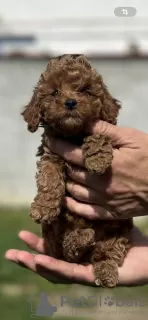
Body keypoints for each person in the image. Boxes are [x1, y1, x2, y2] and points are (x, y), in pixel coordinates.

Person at [5, 120, 148, 286]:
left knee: (117, 233)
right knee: (58, 227)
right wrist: (48, 199)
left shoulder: (99, 135)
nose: (70, 101)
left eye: (85, 92)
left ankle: (106, 260)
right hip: (67, 221)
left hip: (109, 228)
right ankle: (71, 246)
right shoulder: (53, 143)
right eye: (55, 93)